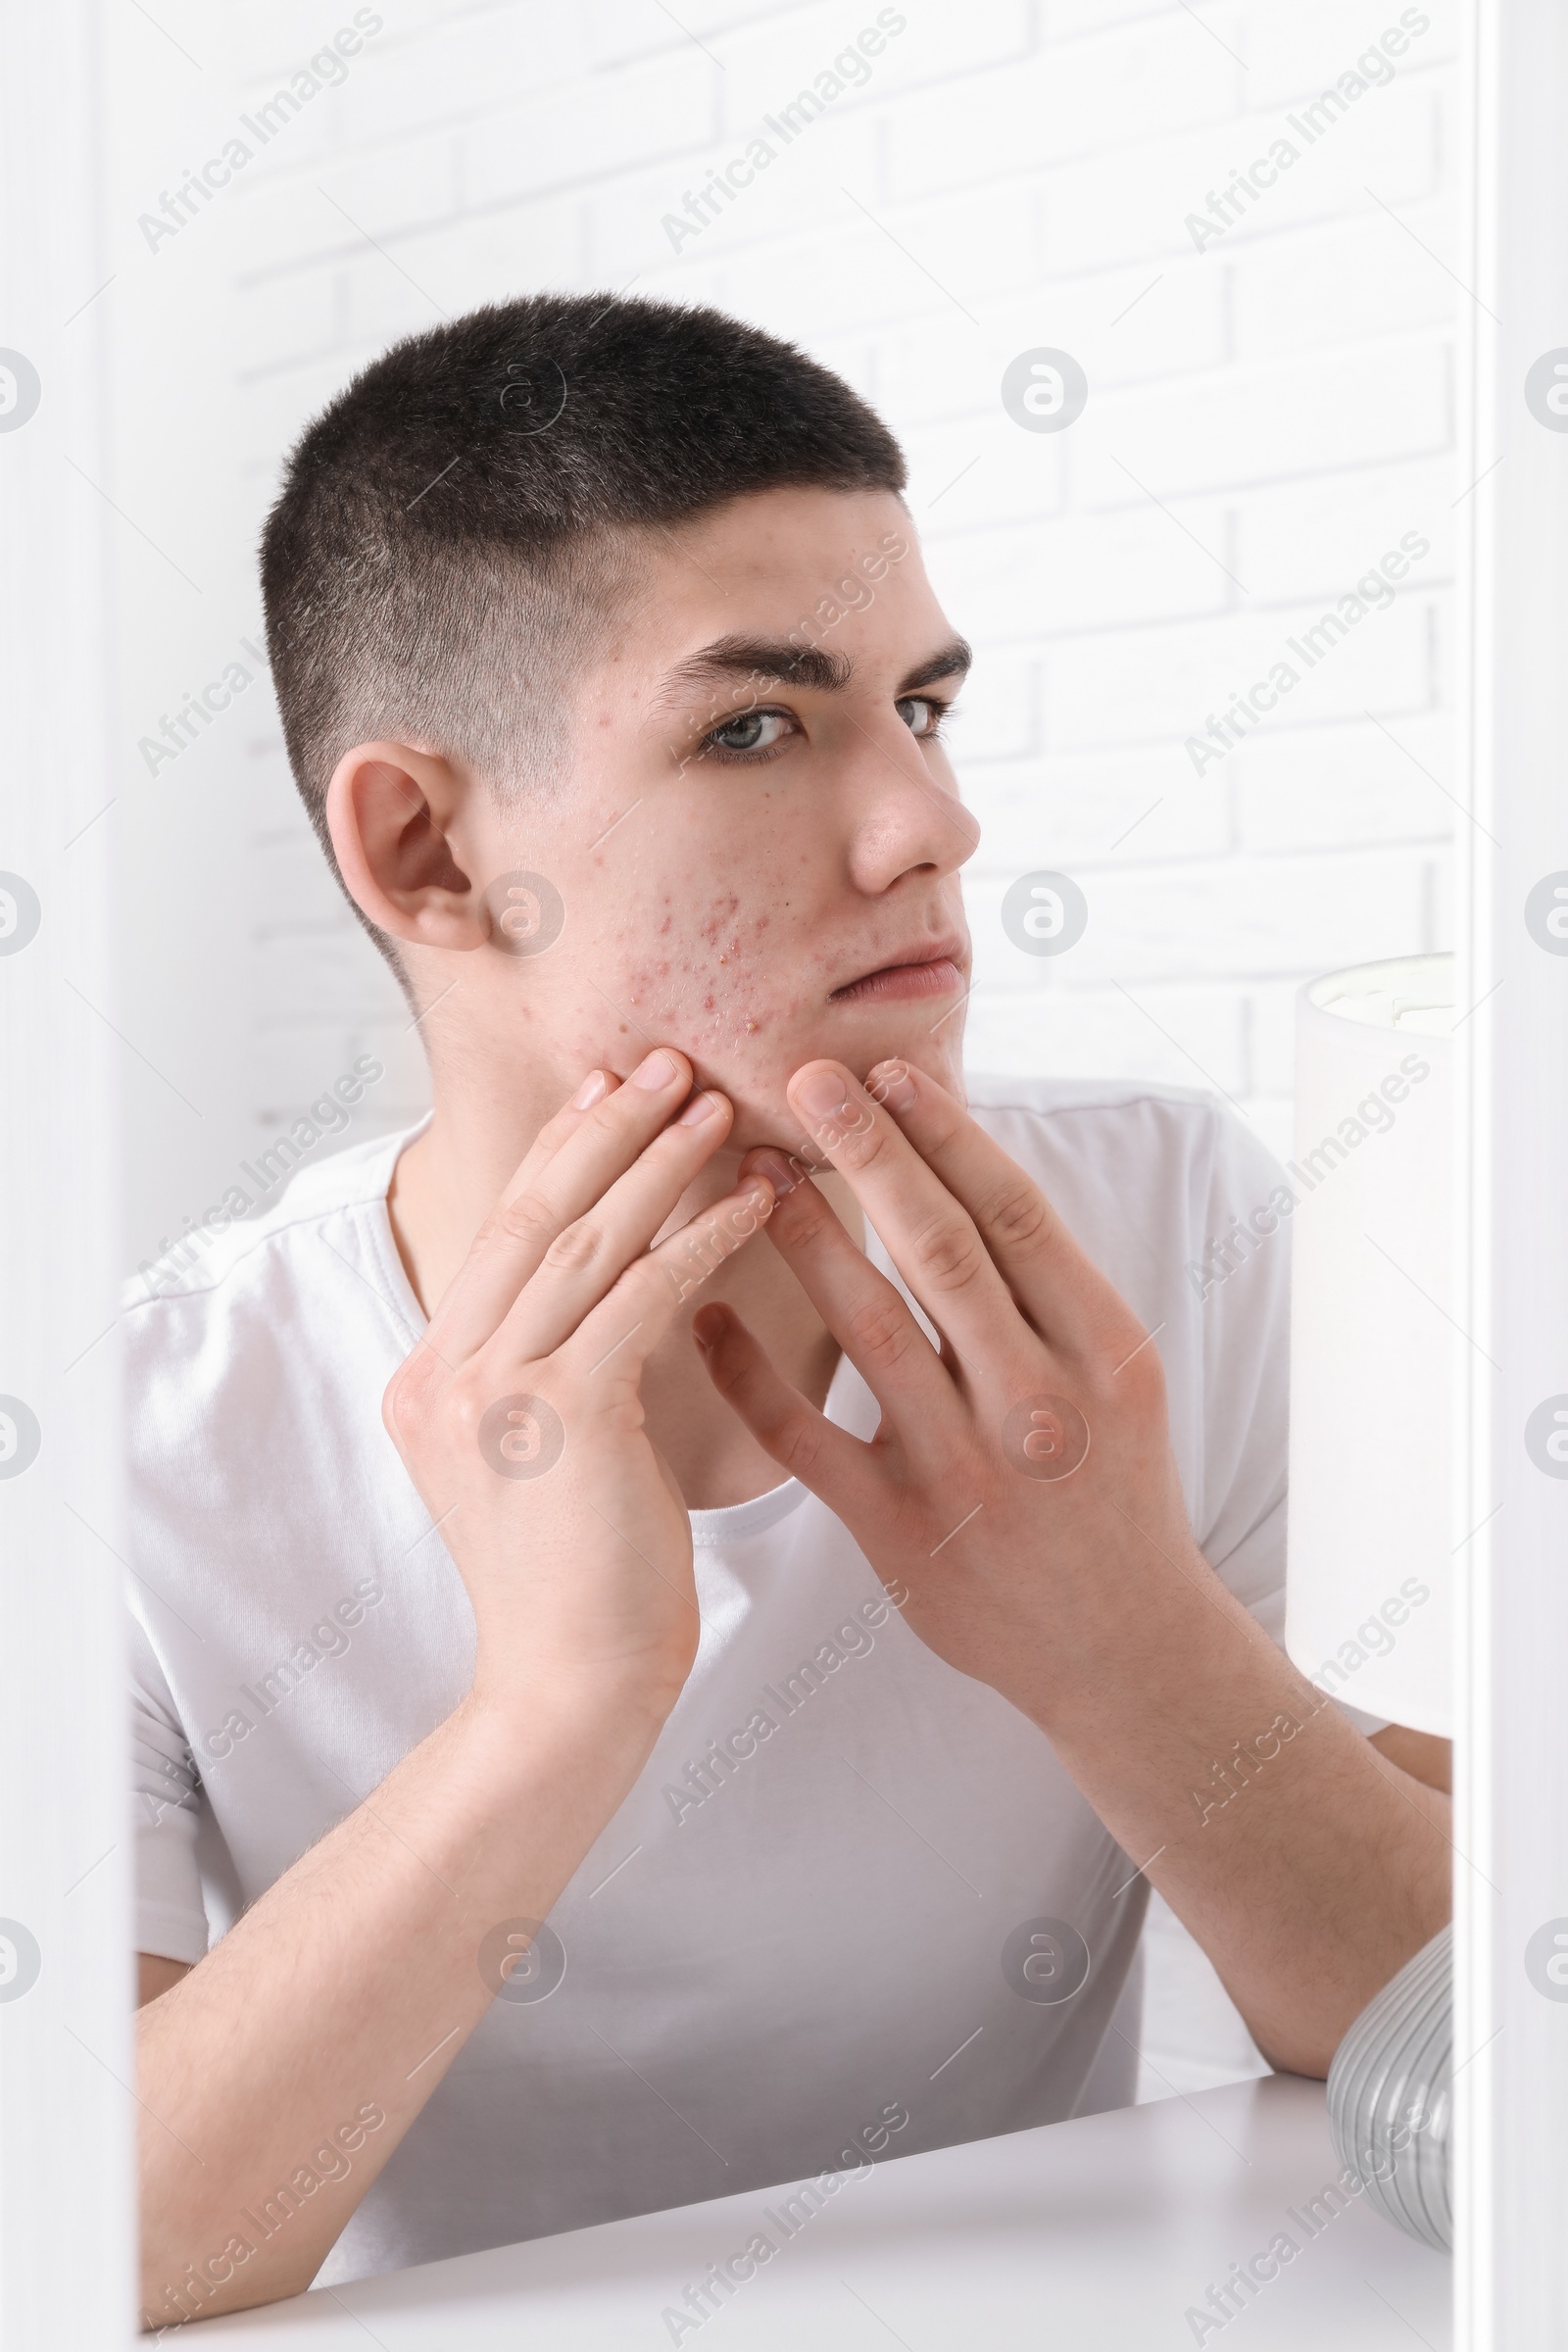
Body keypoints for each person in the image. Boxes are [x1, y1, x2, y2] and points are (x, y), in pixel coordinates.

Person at [129, 292, 1450, 2332]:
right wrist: (556, 1703)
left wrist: (1117, 1644)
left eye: (919, 706)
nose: (932, 825)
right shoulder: (134, 1430)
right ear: (427, 852)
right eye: (755, 724)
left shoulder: (1172, 1225)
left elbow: (1477, 2056)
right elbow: (82, 2241)